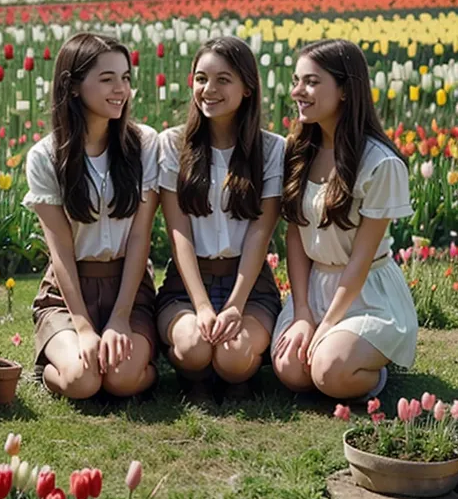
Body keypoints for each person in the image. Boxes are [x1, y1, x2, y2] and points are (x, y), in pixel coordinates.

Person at [272, 39, 418, 401]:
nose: (297, 91)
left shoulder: (380, 164)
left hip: (366, 291)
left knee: (329, 373)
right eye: (296, 80)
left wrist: (329, 323)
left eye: (311, 82)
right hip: (314, 286)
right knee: (292, 371)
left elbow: (361, 259)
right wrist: (303, 312)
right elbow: (295, 235)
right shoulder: (298, 152)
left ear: (344, 91)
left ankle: (373, 371)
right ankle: (341, 353)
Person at [23, 32, 159, 400]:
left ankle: (146, 364)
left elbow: (138, 238)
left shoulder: (144, 144)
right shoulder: (46, 156)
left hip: (128, 288)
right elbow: (61, 252)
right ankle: (51, 370)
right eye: (107, 79)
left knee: (121, 380)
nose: (121, 89)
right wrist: (83, 326)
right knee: (83, 381)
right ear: (72, 87)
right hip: (68, 294)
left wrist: (120, 316)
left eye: (126, 78)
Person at [156, 37, 284, 397]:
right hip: (186, 283)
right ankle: (195, 370)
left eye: (223, 80)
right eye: (201, 78)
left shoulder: (272, 149)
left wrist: (234, 306)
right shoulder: (173, 144)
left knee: (232, 356)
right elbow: (179, 233)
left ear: (247, 88)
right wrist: (200, 304)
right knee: (194, 347)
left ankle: (234, 372)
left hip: (250, 286)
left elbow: (260, 235)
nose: (208, 89)